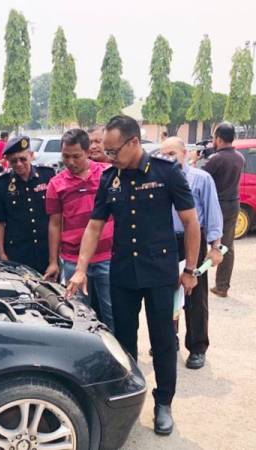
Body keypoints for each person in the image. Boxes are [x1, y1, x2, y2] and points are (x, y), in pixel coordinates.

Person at [66, 115, 200, 436]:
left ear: (134, 143)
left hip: (159, 275)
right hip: (123, 273)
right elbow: (95, 226)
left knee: (163, 340)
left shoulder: (167, 173)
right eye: (107, 151)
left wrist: (191, 270)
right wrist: (81, 268)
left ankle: (163, 403)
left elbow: (192, 223)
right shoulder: (109, 179)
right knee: (123, 342)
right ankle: (129, 398)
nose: (109, 157)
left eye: (113, 151)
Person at [160, 137, 224, 370]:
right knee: (165, 295)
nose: (168, 158)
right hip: (165, 242)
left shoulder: (201, 179)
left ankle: (197, 347)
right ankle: (169, 339)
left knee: (194, 295)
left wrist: (216, 246)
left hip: (191, 241)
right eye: (163, 154)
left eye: (172, 153)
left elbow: (213, 212)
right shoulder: (159, 179)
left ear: (184, 153)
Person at [44, 129, 115, 330]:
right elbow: (55, 223)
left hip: (107, 257)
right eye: (66, 156)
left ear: (87, 152)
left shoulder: (106, 175)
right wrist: (52, 261)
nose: (71, 161)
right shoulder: (56, 184)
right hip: (72, 260)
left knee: (112, 312)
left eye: (76, 156)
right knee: (78, 313)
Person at [0, 136, 55, 273]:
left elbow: (56, 216)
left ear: (31, 156)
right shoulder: (1, 183)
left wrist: (55, 257)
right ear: (7, 161)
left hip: (46, 250)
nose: (19, 164)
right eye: (14, 161)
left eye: (23, 159)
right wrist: (1, 253)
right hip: (18, 252)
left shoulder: (47, 176)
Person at [202, 122, 245, 298]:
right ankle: (222, 286)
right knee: (227, 246)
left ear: (218, 139)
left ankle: (195, 277)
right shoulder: (239, 157)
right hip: (233, 204)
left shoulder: (216, 159)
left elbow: (202, 176)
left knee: (199, 241)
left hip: (216, 206)